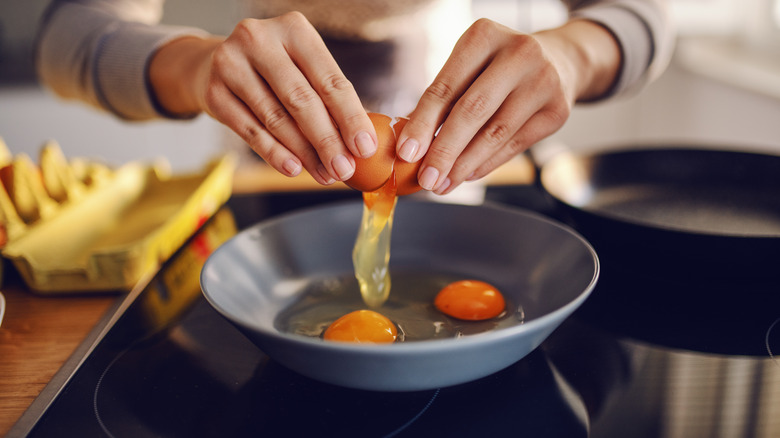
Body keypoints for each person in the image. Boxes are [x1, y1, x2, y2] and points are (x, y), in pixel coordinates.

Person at [35, 0, 673, 195]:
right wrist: (195, 66)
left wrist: (572, 53)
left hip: (456, 157)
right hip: (270, 157)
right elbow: (64, 40)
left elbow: (647, 19)